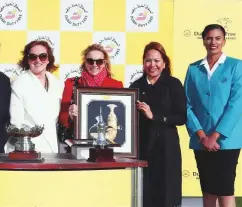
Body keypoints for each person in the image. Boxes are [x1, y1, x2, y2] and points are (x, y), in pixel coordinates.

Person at [184, 24, 242, 207]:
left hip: (226, 141)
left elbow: (236, 104)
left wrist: (214, 136)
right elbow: (186, 104)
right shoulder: (194, 69)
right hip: (201, 141)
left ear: (224, 41)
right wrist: (201, 135)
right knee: (207, 190)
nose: (213, 42)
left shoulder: (236, 66)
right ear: (203, 41)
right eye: (209, 38)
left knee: (225, 189)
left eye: (217, 38)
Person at [129, 42, 186, 207]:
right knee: (145, 194)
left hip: (167, 148)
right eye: (148, 61)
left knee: (167, 195)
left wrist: (154, 116)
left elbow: (181, 117)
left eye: (156, 61)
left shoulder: (173, 84)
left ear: (164, 63)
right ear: (143, 63)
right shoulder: (136, 86)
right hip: (143, 148)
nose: (152, 65)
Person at [5, 40, 64, 153]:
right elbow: (16, 121)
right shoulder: (19, 83)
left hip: (51, 145)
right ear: (27, 60)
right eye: (33, 57)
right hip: (26, 147)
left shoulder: (56, 83)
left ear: (48, 59)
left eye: (42, 56)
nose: (38, 61)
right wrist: (26, 146)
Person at [58, 44, 123, 142]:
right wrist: (70, 116)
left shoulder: (116, 85)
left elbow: (120, 118)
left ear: (105, 63)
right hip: (78, 141)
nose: (94, 65)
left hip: (106, 141)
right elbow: (62, 119)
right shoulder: (71, 84)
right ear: (85, 62)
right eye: (90, 61)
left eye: (99, 61)